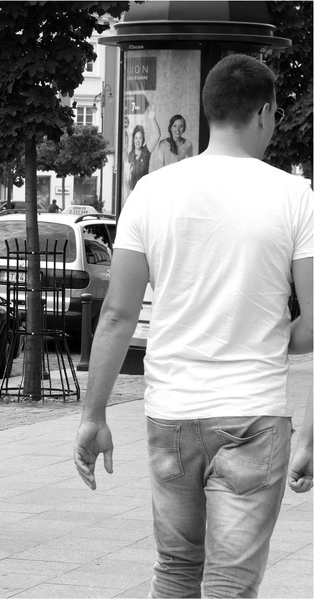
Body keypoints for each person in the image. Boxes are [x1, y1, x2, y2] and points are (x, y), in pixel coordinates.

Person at [73, 54, 312, 598]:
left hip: (172, 411)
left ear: (207, 111)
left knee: (176, 570)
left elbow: (117, 315)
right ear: (264, 112)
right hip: (253, 412)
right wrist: (271, 341)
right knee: (231, 583)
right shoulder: (296, 196)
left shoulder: (150, 191)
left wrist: (93, 416)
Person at [127, 125, 152, 190]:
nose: (137, 141)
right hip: (132, 191)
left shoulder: (146, 151)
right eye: (136, 138)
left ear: (143, 139)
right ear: (133, 139)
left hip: (144, 190)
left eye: (140, 138)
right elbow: (127, 177)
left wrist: (152, 119)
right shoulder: (130, 155)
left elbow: (157, 135)